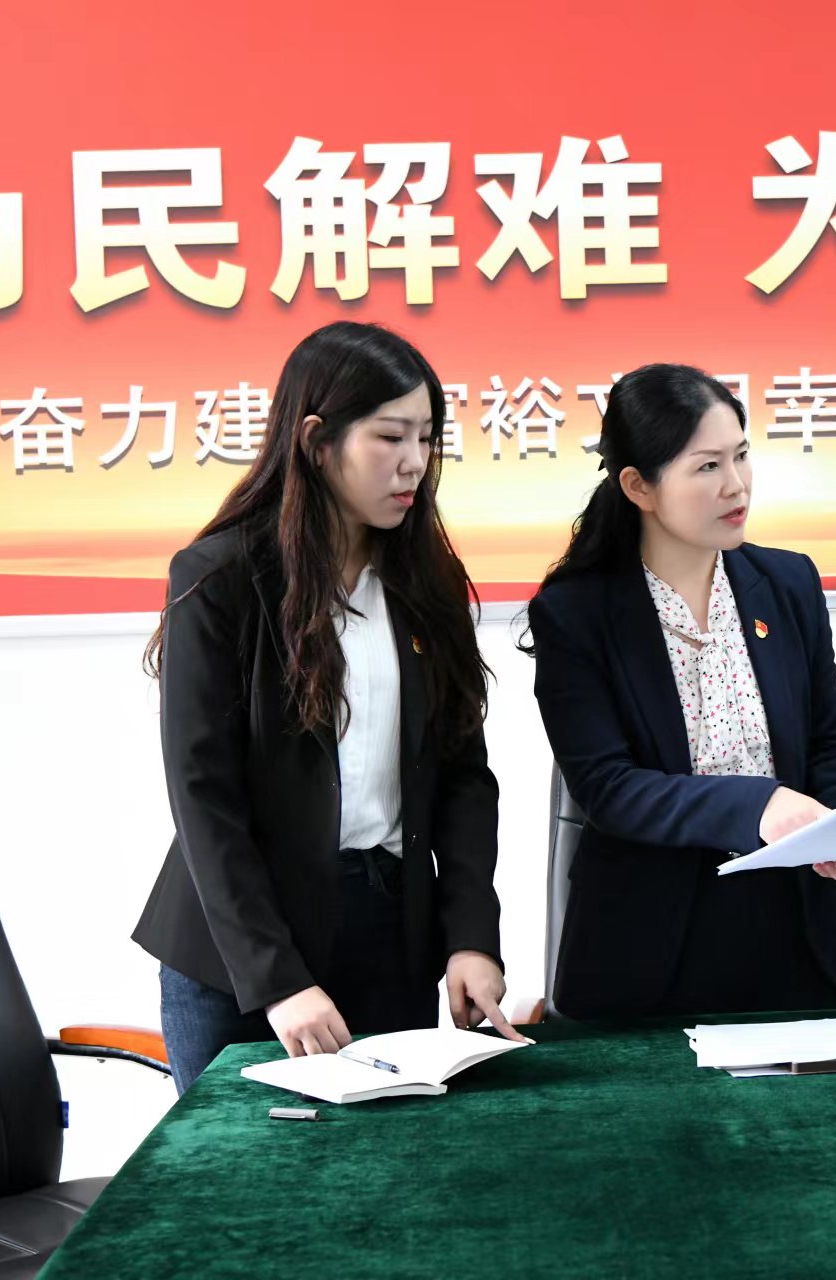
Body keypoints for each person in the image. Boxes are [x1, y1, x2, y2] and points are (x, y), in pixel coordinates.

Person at [133, 321, 523, 1095]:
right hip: (242, 957)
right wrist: (279, 980)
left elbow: (463, 777)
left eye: (427, 438)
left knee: (385, 1167)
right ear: (317, 441)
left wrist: (472, 938)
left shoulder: (427, 582)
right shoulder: (220, 579)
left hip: (387, 938)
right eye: (390, 437)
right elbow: (204, 799)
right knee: (247, 1171)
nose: (414, 462)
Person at [523, 363, 836, 1018]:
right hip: (646, 964)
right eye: (707, 466)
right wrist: (759, 805)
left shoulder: (788, 583)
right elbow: (609, 788)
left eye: (741, 456)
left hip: (797, 945)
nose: (736, 485)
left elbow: (828, 737)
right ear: (639, 486)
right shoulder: (575, 614)